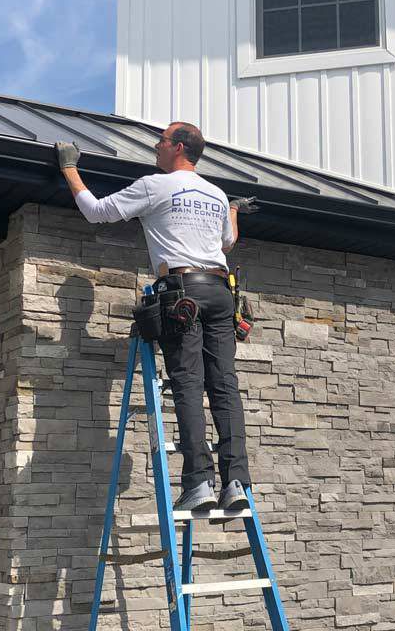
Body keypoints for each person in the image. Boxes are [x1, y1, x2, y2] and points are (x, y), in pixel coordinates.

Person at [54, 123, 251, 512]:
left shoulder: (155, 186)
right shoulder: (215, 193)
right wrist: (232, 209)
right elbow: (228, 241)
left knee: (189, 385)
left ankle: (199, 483)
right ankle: (237, 484)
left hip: (182, 293)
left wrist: (69, 169)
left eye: (160, 140)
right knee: (224, 387)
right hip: (220, 293)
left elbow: (96, 212)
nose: (155, 146)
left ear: (178, 148)